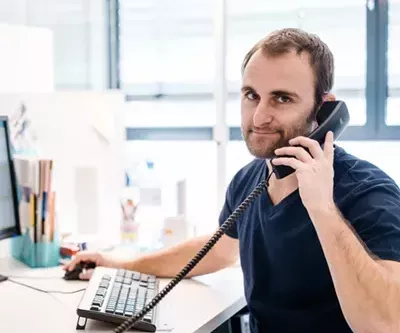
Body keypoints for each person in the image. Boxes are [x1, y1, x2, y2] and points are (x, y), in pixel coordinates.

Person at [64, 28, 400, 333]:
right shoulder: (250, 180)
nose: (259, 117)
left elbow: (386, 323)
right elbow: (219, 251)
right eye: (252, 95)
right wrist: (122, 266)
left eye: (282, 98)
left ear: (325, 110)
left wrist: (322, 209)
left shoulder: (370, 194)